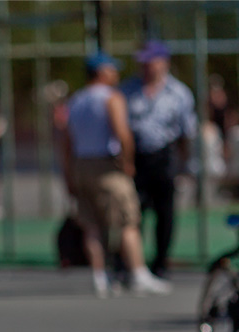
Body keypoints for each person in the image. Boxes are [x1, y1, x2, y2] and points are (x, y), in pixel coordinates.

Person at [63, 52, 171, 298]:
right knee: (127, 221)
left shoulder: (76, 100)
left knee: (91, 225)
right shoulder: (111, 98)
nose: (116, 74)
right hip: (105, 165)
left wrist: (69, 173)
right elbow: (122, 132)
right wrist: (127, 162)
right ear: (102, 72)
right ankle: (138, 272)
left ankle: (99, 277)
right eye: (112, 69)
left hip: (81, 164)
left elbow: (67, 143)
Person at [120, 40, 196, 278]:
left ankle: (160, 262)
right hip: (136, 157)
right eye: (142, 63)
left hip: (164, 156)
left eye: (150, 62)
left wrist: (185, 165)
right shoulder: (128, 89)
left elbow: (186, 132)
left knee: (165, 213)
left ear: (164, 63)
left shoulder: (179, 93)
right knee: (134, 212)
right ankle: (133, 263)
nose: (146, 68)